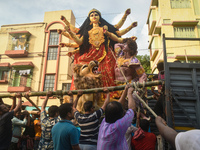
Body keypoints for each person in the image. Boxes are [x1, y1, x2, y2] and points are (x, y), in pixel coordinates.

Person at [58, 8, 137, 98]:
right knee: (80, 64)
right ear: (89, 19)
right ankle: (84, 92)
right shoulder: (86, 32)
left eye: (96, 15)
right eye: (91, 15)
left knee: (107, 72)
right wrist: (67, 29)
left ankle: (107, 94)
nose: (94, 16)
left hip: (105, 53)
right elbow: (79, 42)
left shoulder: (105, 29)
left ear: (100, 17)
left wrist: (127, 19)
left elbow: (117, 34)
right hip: (90, 54)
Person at [97, 85, 136, 150]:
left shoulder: (104, 122)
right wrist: (129, 94)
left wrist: (125, 90)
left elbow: (117, 105)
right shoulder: (118, 126)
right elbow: (132, 109)